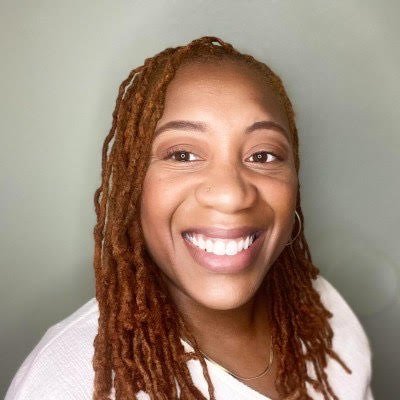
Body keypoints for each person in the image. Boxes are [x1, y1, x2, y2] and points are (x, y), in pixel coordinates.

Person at [5, 36, 374, 400]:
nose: (231, 195)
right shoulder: (65, 383)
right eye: (182, 155)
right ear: (133, 187)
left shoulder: (326, 312)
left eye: (262, 156)